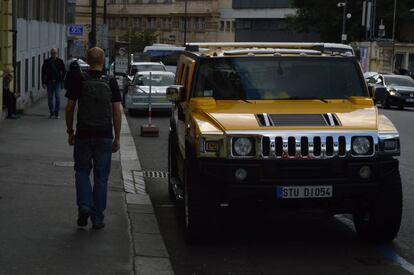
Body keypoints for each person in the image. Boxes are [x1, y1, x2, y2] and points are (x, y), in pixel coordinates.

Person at [65, 47, 122, 230]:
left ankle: (84, 205)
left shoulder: (79, 79)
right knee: (101, 178)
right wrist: (117, 138)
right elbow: (117, 112)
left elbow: (69, 107)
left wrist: (70, 131)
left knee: (81, 171)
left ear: (87, 61)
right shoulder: (111, 81)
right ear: (103, 60)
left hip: (83, 134)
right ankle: (97, 218)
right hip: (104, 135)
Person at [42, 48, 65, 119]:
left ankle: (56, 113)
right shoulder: (47, 62)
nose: (53, 54)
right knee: (50, 98)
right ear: (50, 53)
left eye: (54, 53)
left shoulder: (60, 61)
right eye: (52, 53)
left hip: (57, 82)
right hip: (49, 82)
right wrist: (43, 82)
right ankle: (51, 113)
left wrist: (61, 79)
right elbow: (43, 72)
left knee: (57, 97)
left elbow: (64, 71)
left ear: (56, 53)